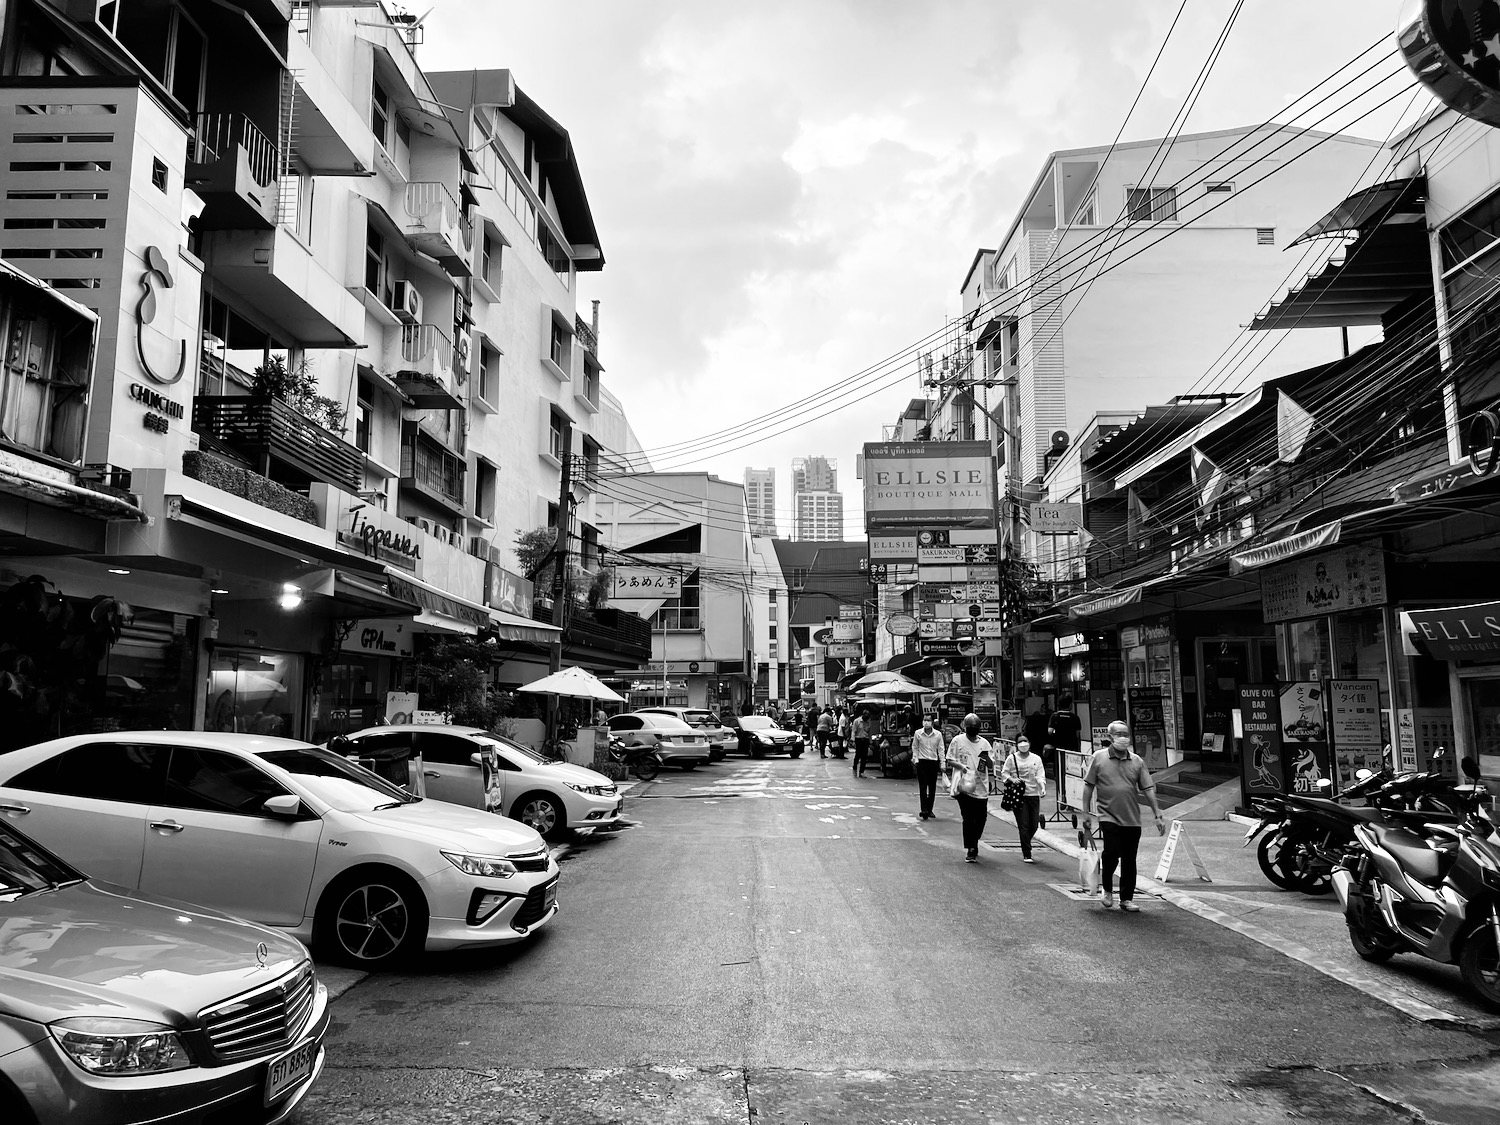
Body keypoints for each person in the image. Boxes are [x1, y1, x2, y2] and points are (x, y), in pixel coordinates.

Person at [1082, 720, 1166, 912]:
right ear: (1111, 737)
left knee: (1129, 858)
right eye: (1119, 734)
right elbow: (1088, 786)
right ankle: (1108, 890)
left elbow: (1148, 788)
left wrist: (1157, 813)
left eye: (1126, 734)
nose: (1123, 738)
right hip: (1107, 814)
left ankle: (1126, 898)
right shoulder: (1099, 757)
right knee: (1111, 852)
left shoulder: (1137, 761)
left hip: (1132, 818)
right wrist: (1085, 813)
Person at [945, 713, 994, 863]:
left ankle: (975, 839)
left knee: (981, 818)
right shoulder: (957, 741)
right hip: (963, 786)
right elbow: (949, 759)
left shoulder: (984, 744)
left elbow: (991, 765)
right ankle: (971, 848)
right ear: (964, 728)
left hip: (980, 785)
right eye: (970, 728)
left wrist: (986, 760)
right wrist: (961, 766)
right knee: (968, 818)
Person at [1001, 736, 1047, 862]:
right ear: (1016, 745)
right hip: (1019, 796)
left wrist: (1042, 787)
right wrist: (1012, 779)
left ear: (1030, 743)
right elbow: (1004, 773)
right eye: (1020, 742)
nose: (1023, 744)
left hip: (1033, 795)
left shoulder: (1036, 759)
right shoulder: (1012, 758)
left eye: (1025, 741)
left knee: (1034, 825)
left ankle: (1026, 841)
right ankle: (1027, 852)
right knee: (1024, 825)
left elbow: (1040, 775)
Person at [911, 713, 945, 819]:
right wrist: (915, 759)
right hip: (922, 762)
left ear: (932, 722)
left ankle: (930, 809)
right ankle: (924, 810)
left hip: (933, 762)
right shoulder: (918, 734)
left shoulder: (938, 735)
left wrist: (943, 763)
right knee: (922, 787)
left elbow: (941, 749)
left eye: (928, 720)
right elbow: (915, 747)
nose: (926, 722)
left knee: (932, 787)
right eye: (924, 720)